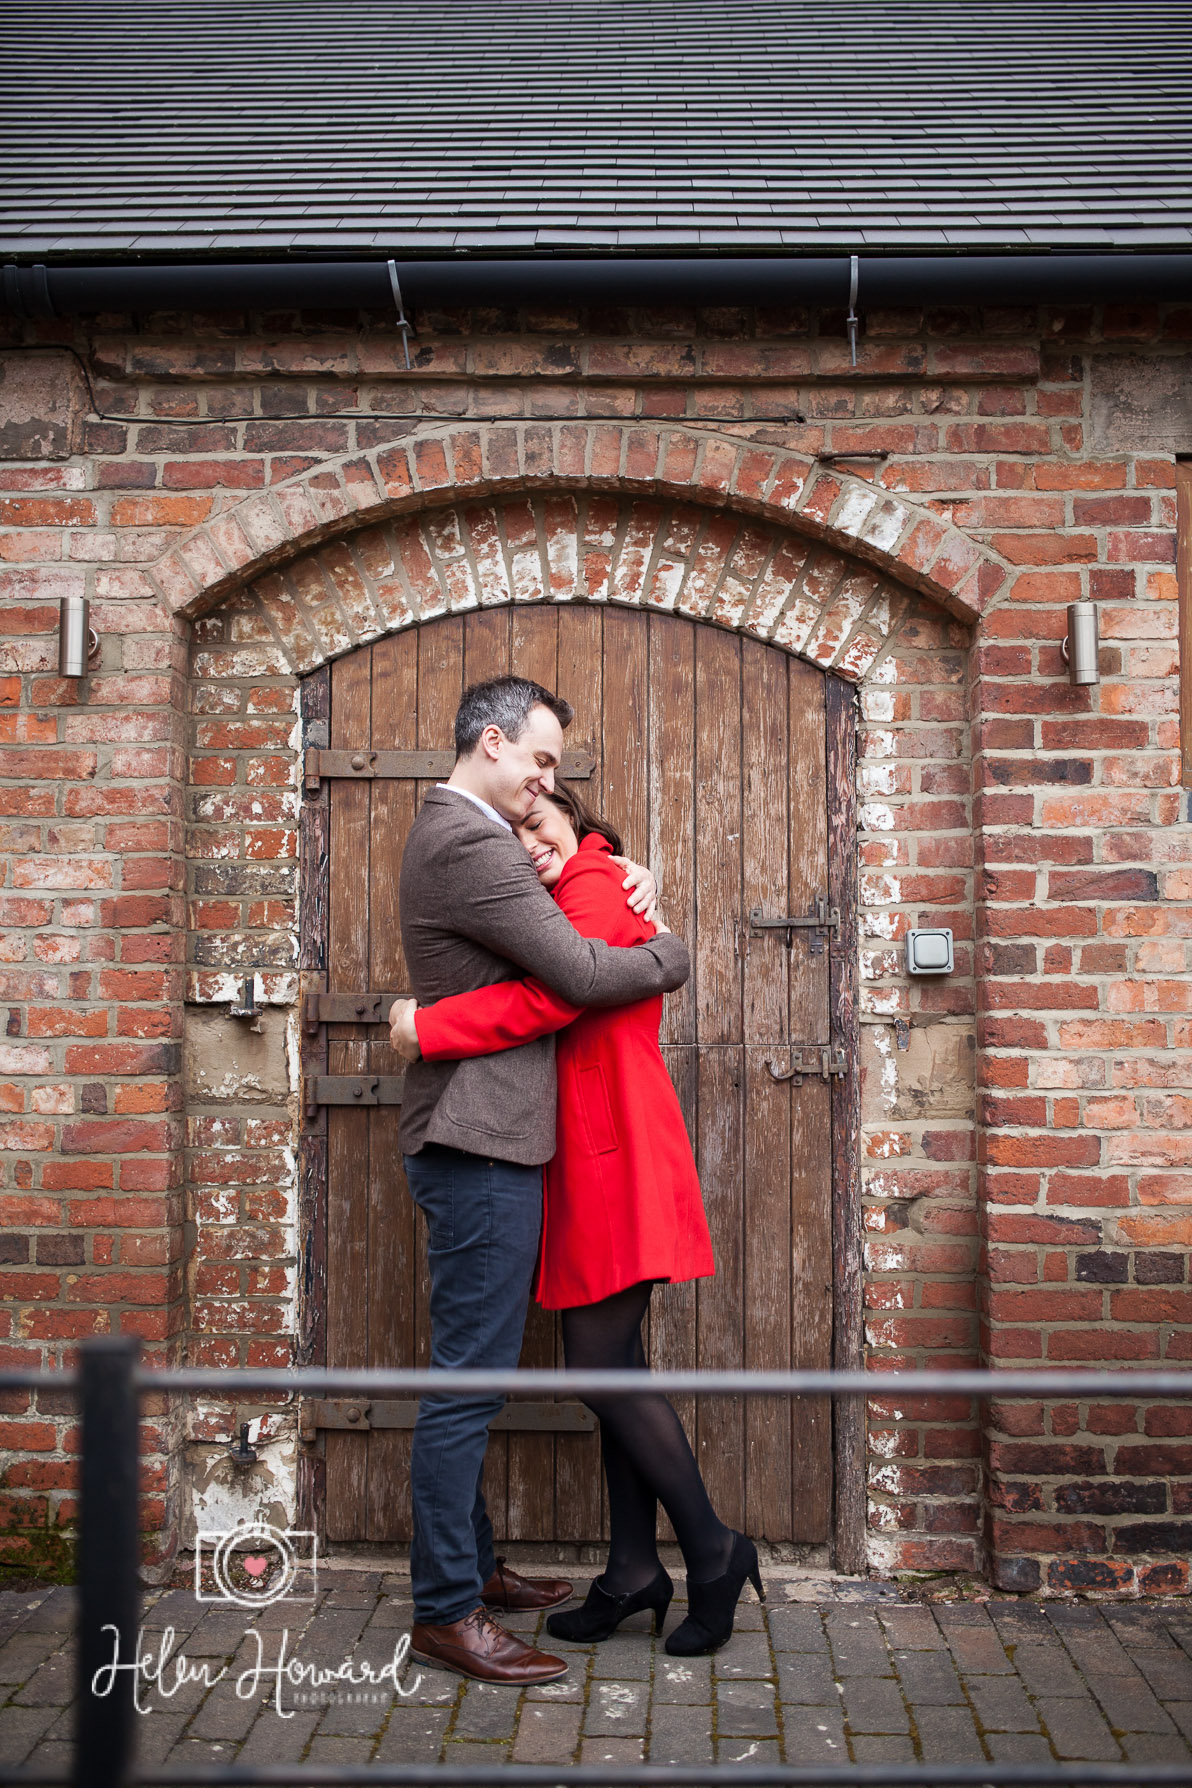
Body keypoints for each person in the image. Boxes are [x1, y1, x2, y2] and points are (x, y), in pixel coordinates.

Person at [391, 780, 764, 1658]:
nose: (527, 843)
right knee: (615, 1367)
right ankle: (632, 1572)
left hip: (613, 1150)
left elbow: (554, 999)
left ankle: (713, 1549)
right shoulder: (573, 891)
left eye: (539, 822)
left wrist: (427, 1025)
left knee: (602, 1370)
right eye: (515, 831)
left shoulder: (594, 887)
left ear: (582, 821)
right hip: (594, 1148)